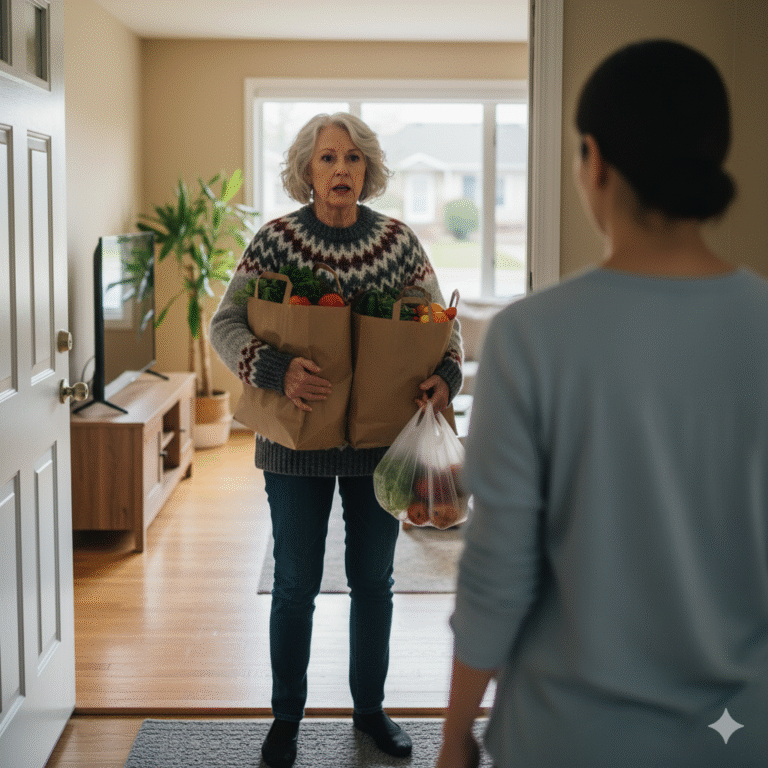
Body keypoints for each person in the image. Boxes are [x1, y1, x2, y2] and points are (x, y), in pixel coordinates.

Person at [436, 39, 768, 768]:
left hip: (566, 736)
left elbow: (498, 570)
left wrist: (456, 735)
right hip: (739, 736)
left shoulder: (530, 336)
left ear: (594, 160)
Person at [210, 112, 463, 768]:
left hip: (380, 446)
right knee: (295, 582)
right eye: (327, 158)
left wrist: (446, 376)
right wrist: (274, 369)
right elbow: (225, 323)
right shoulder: (274, 241)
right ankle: (285, 719)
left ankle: (370, 711)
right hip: (294, 447)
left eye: (352, 158)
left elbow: (444, 327)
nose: (341, 169)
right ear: (307, 170)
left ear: (368, 170)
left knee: (373, 581)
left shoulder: (399, 244)